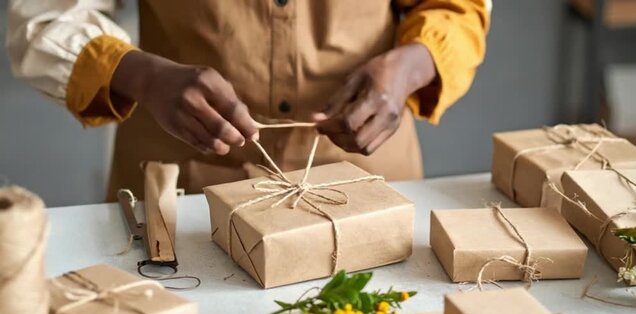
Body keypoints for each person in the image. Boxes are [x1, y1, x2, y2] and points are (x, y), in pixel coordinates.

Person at [7, 0, 490, 201]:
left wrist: (408, 67)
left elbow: (457, 6)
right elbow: (46, 17)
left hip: (370, 180)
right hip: (178, 192)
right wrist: (146, 77)